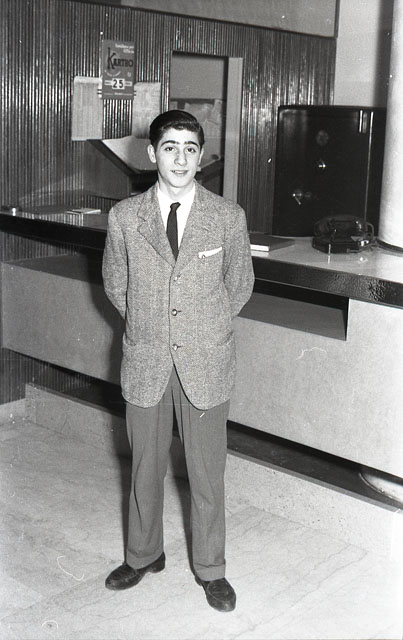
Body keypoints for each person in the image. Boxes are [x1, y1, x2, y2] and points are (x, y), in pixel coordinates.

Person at [102, 109, 254, 612]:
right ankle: (143, 555)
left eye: (190, 148)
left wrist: (203, 327)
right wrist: (152, 325)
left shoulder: (227, 216)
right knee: (144, 468)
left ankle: (211, 568)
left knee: (207, 473)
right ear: (152, 154)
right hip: (146, 358)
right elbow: (116, 284)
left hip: (206, 362)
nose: (181, 158)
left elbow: (239, 284)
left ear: (202, 156)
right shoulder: (126, 217)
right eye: (170, 147)